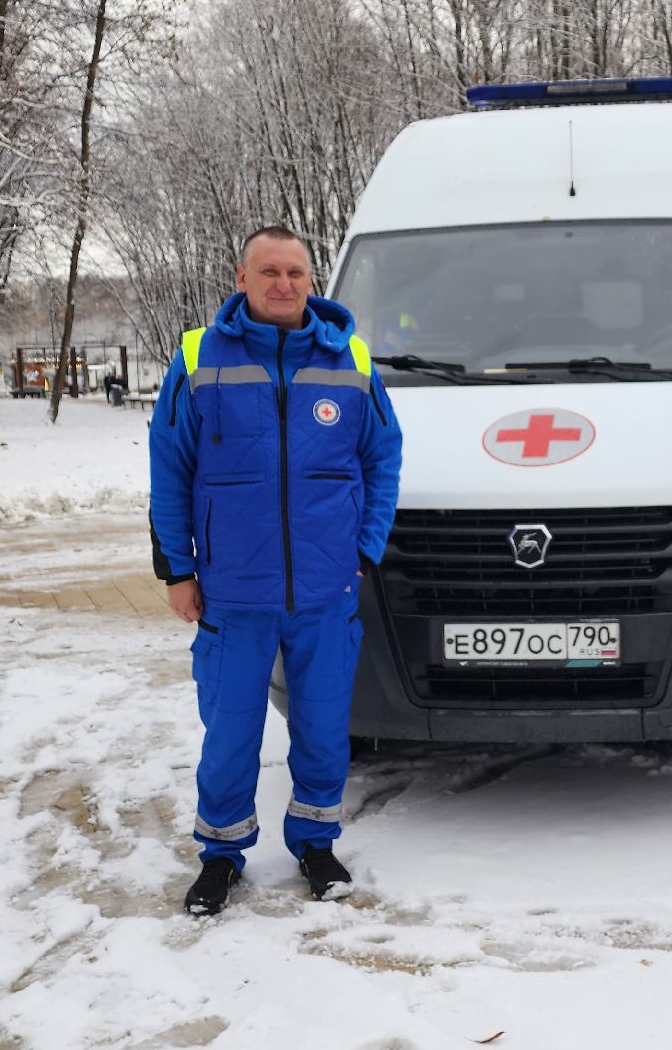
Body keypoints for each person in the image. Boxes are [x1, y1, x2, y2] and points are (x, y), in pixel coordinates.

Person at [148, 225, 402, 915]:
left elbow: (384, 456)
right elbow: (170, 468)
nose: (284, 284)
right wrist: (176, 569)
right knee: (231, 731)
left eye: (296, 272)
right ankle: (222, 856)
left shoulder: (348, 356)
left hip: (325, 590)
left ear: (311, 280)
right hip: (232, 591)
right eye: (270, 272)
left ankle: (316, 844)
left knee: (321, 728)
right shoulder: (200, 356)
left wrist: (364, 547)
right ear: (241, 278)